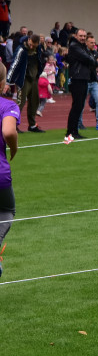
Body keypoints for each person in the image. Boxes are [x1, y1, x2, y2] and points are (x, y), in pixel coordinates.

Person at [5, 34, 45, 133]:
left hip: (34, 78)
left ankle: (32, 125)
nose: (31, 47)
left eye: (34, 46)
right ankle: (12, 125)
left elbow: (41, 60)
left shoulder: (39, 48)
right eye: (30, 44)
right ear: (28, 40)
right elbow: (14, 65)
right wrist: (8, 82)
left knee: (34, 102)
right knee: (20, 103)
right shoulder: (21, 50)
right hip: (24, 80)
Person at [65, 28, 98, 139]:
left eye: (84, 36)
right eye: (81, 36)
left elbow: (91, 57)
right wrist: (93, 60)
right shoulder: (75, 46)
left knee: (79, 106)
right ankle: (71, 131)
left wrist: (92, 59)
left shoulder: (81, 46)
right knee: (77, 105)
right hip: (77, 78)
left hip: (83, 78)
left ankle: (73, 130)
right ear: (76, 36)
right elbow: (88, 58)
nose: (83, 38)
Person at [0, 62, 17, 278]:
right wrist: (14, 148)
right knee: (6, 210)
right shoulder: (7, 105)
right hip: (0, 176)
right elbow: (9, 132)